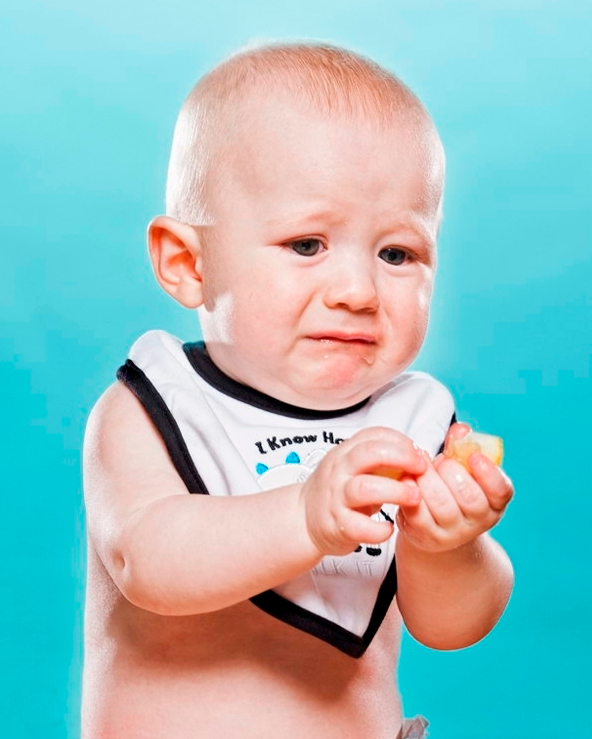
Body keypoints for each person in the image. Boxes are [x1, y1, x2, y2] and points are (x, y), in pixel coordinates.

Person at [82, 42, 514, 739]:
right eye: (307, 244)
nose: (357, 291)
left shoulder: (412, 422)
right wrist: (306, 516)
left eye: (396, 253)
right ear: (188, 262)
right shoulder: (153, 406)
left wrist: (448, 546)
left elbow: (451, 628)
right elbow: (148, 559)